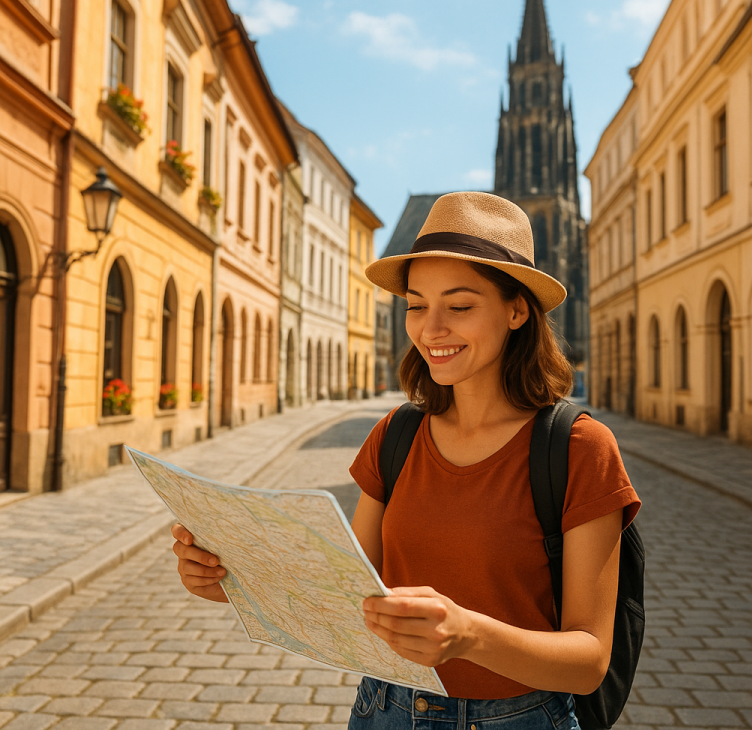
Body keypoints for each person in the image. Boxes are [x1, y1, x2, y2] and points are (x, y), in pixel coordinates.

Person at [172, 192, 641, 730]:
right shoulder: (395, 436)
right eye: (416, 305)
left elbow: (589, 662)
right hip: (387, 709)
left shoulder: (580, 447)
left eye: (459, 306)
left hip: (522, 719)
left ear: (517, 310)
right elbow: (345, 594)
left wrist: (470, 635)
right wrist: (232, 577)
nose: (430, 329)